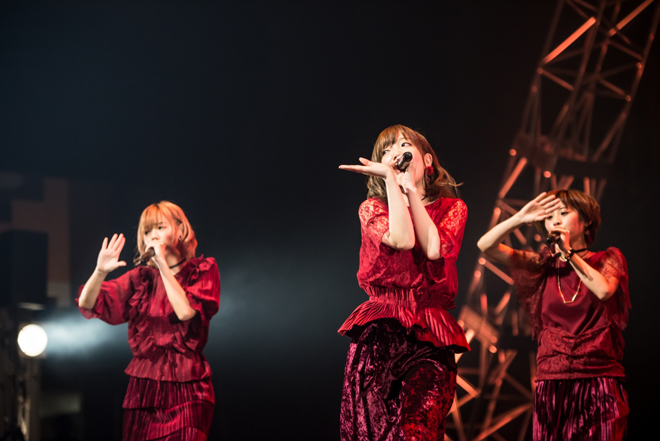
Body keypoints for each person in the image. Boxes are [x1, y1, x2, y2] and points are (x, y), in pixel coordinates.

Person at [338, 125, 470, 440]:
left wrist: (410, 188)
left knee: (417, 430)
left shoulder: (452, 208)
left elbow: (433, 249)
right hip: (380, 332)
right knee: (373, 431)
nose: (395, 153)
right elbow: (403, 239)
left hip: (430, 335)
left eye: (403, 145)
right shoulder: (372, 208)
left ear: (427, 160)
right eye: (386, 151)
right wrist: (392, 182)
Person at [477, 190, 630, 441]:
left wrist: (569, 253)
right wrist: (520, 218)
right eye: (549, 217)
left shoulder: (608, 259)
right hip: (552, 383)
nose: (556, 220)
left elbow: (603, 290)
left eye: (564, 213)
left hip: (598, 381)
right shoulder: (542, 265)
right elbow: (485, 246)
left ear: (586, 221)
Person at [77, 201, 220, 441]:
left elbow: (185, 312)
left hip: (188, 389)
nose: (152, 236)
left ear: (180, 230)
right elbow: (87, 302)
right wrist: (100, 272)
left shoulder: (203, 270)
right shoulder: (141, 279)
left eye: (160, 227)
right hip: (144, 393)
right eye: (146, 231)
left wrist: (162, 263)